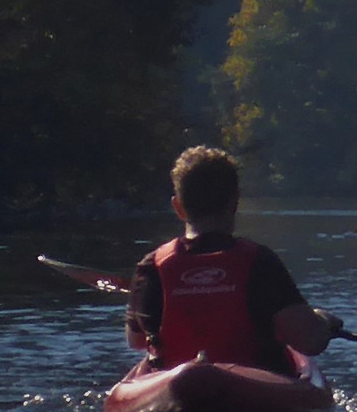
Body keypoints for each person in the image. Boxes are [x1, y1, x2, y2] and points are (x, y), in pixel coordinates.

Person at [126, 146, 341, 376]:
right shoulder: (260, 262)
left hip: (175, 391)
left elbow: (136, 340)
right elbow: (309, 341)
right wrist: (325, 323)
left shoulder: (151, 268)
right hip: (254, 389)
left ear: (178, 207)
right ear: (234, 203)